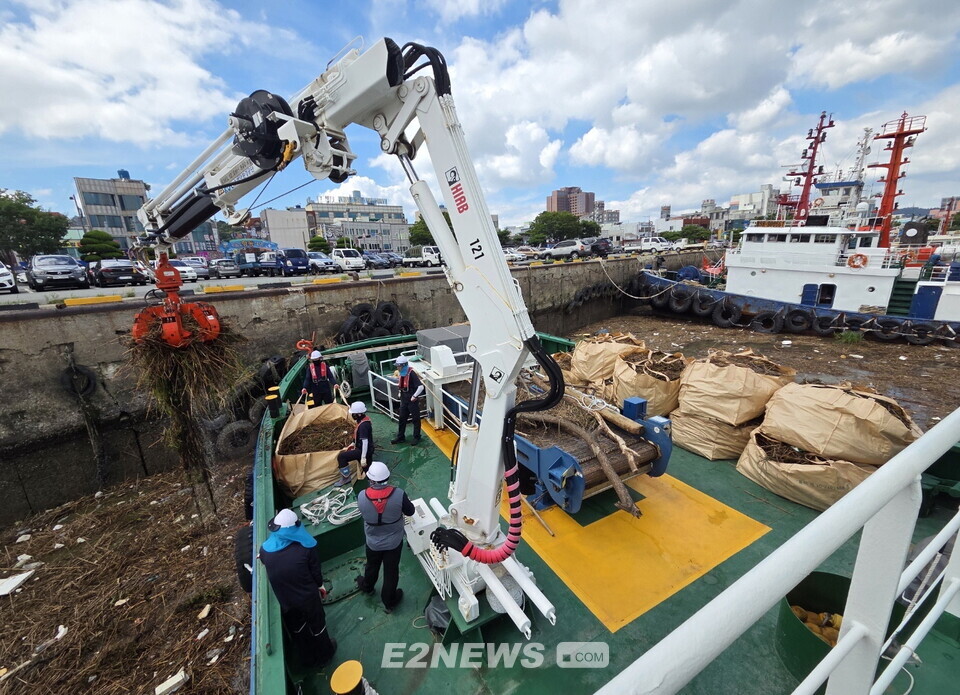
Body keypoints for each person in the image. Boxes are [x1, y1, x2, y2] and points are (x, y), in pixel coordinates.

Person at [258, 508, 337, 666]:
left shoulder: (265, 550)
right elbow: (316, 574)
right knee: (317, 624)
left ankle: (307, 656)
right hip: (307, 598)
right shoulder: (306, 549)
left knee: (297, 627)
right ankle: (325, 653)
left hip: (285, 600)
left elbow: (265, 563)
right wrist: (320, 587)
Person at [355, 462, 414, 612]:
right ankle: (389, 601)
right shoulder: (399, 494)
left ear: (371, 480)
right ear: (387, 477)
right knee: (391, 571)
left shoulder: (362, 496)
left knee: (372, 565)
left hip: (373, 542)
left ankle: (367, 587)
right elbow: (410, 512)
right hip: (394, 542)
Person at [335, 401, 374, 487]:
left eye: (354, 414)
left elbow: (365, 442)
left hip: (364, 451)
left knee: (342, 457)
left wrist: (363, 457)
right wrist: (353, 443)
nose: (352, 415)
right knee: (366, 469)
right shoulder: (363, 420)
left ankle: (346, 478)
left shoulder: (363, 426)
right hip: (364, 449)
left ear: (358, 414)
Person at [391, 355, 422, 444]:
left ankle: (417, 437)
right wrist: (400, 393)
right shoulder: (401, 373)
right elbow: (401, 385)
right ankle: (400, 436)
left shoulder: (411, 373)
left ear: (404, 365)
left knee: (415, 419)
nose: (397, 367)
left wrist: (414, 396)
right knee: (402, 418)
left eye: (399, 366)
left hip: (412, 400)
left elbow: (420, 387)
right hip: (404, 399)